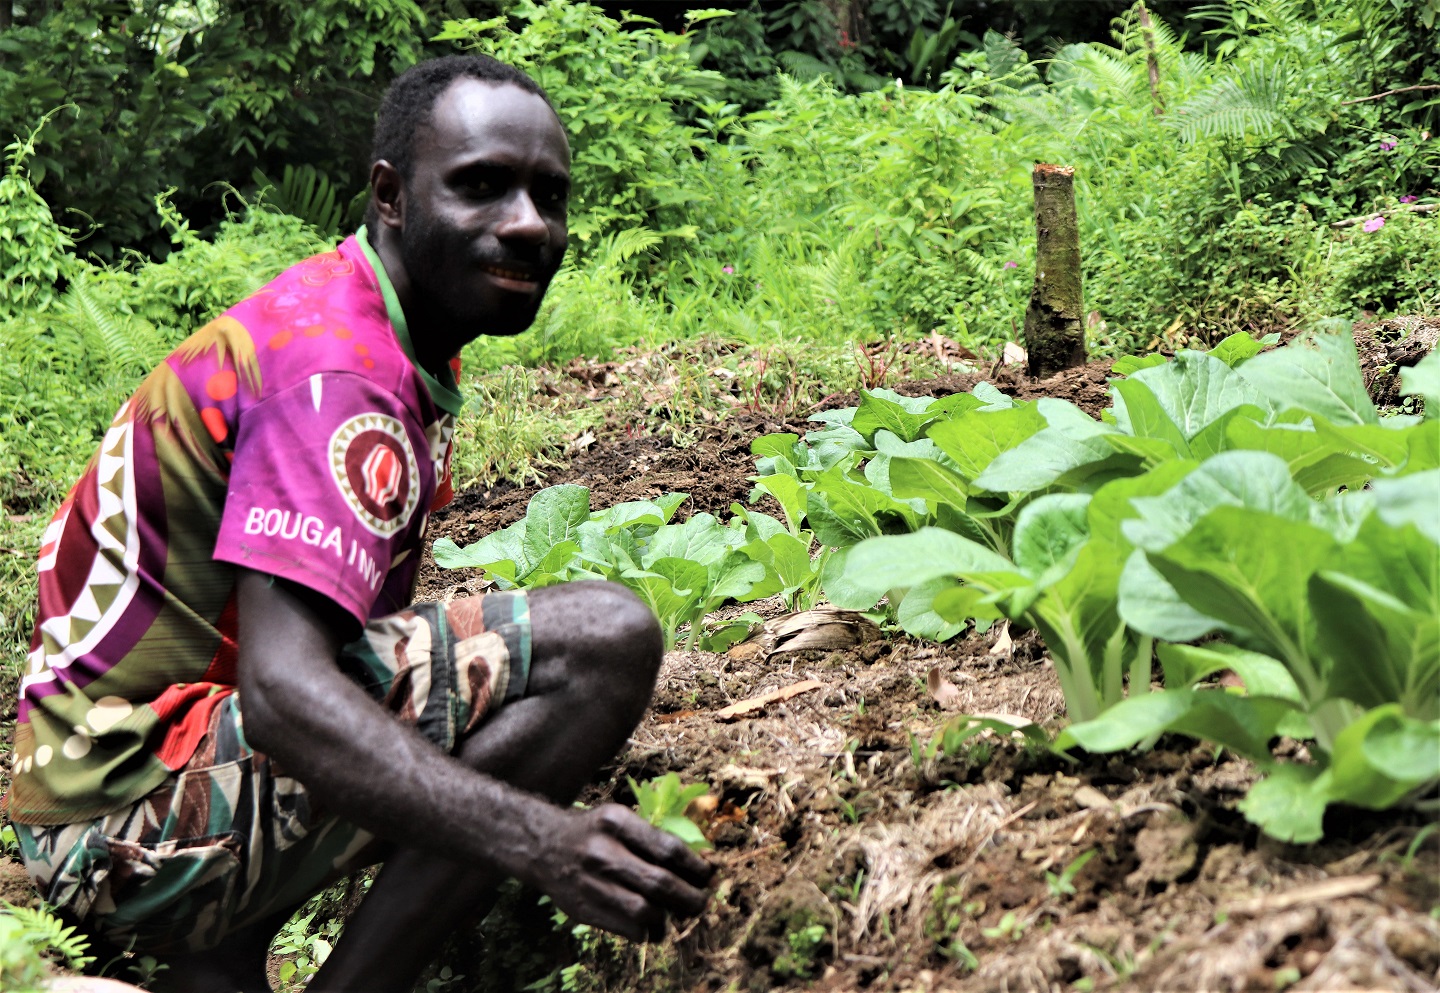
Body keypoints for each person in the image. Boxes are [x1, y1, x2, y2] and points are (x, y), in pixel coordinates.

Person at [4, 55, 713, 993]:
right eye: (482, 186)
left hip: (105, 794)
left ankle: (216, 953)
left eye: (551, 194)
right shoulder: (336, 375)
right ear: (390, 195)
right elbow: (290, 695)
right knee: (603, 640)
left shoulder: (358, 328)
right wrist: (542, 839)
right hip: (129, 818)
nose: (531, 222)